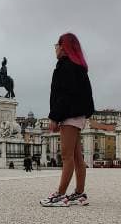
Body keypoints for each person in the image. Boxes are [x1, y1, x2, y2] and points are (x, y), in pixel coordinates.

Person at [40, 33, 94, 207]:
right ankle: (79, 193)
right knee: (78, 157)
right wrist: (85, 114)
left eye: (57, 44)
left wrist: (55, 117)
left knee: (66, 156)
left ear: (64, 47)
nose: (55, 48)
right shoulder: (79, 67)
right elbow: (87, 96)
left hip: (69, 114)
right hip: (77, 115)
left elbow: (63, 95)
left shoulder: (65, 66)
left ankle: (60, 195)